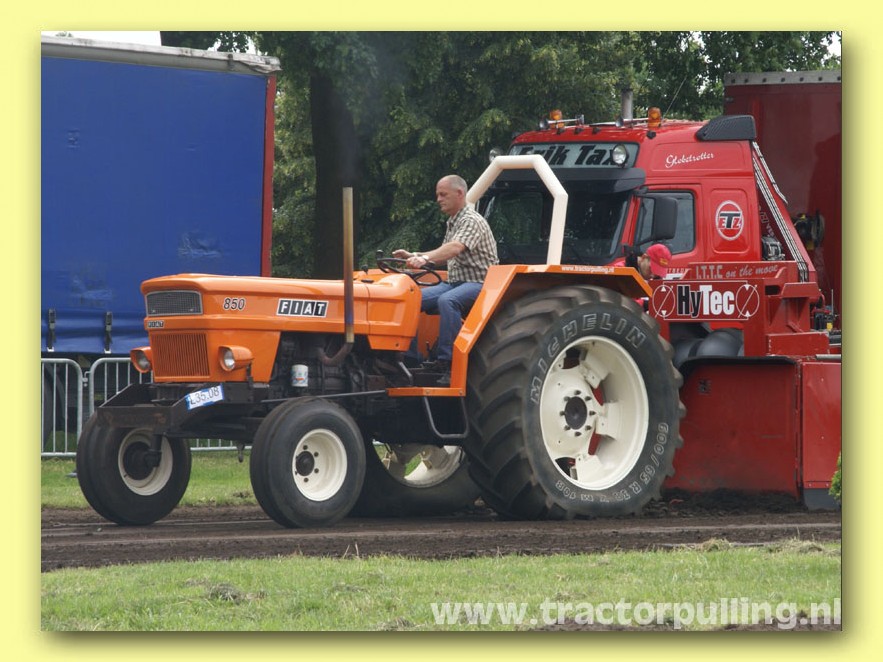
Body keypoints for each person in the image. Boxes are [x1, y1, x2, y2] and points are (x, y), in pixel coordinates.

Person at [393, 174, 498, 385]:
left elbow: (454, 248)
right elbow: (442, 254)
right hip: (456, 282)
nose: (438, 199)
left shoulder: (471, 220)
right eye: (438, 195)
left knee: (447, 300)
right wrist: (413, 256)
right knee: (412, 299)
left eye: (443, 194)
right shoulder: (454, 222)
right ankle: (409, 360)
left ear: (459, 193)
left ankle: (448, 362)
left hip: (481, 284)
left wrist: (424, 259)